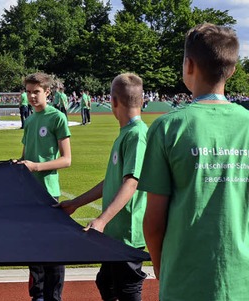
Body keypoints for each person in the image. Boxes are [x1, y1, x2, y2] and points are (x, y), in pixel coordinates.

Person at [139, 23, 249, 301]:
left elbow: (153, 222)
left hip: (184, 281)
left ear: (188, 65)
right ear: (232, 70)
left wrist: (162, 268)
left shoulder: (167, 127)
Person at [57, 73, 148, 301]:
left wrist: (101, 220)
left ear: (114, 101)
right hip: (115, 232)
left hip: (127, 233)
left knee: (127, 288)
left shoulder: (137, 135)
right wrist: (76, 203)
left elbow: (132, 182)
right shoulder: (126, 134)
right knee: (106, 281)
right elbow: (112, 181)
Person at [16, 72, 71, 301]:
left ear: (47, 92)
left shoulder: (57, 117)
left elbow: (66, 159)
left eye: (36, 92)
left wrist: (36, 167)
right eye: (28, 92)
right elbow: (25, 156)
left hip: (48, 192)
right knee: (34, 247)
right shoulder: (29, 120)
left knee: (53, 248)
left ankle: (53, 296)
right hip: (29, 193)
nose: (31, 96)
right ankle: (37, 295)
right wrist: (17, 165)